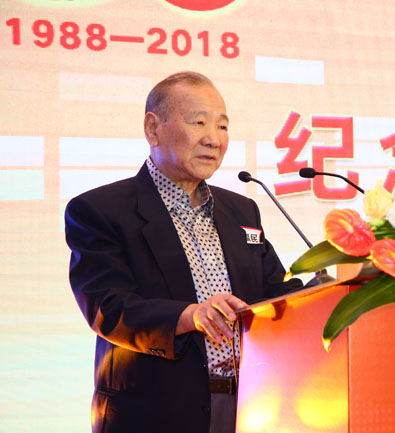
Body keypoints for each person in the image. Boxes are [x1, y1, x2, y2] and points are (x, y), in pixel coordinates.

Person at [65, 71, 302, 433]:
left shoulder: (242, 210)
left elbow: (277, 292)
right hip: (155, 413)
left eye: (222, 126)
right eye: (199, 122)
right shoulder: (101, 210)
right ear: (153, 128)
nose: (214, 139)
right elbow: (108, 308)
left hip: (251, 405)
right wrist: (190, 315)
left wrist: (342, 284)